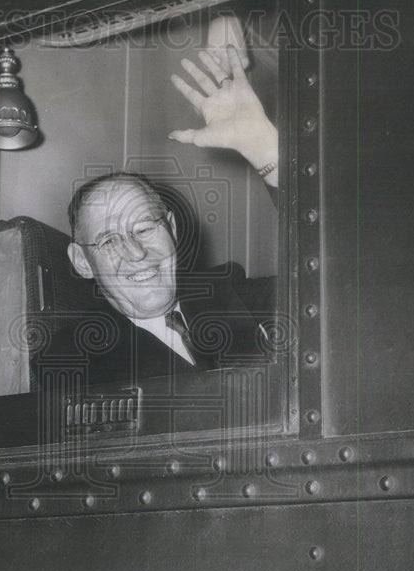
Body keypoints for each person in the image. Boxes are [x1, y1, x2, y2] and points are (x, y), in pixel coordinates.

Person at [37, 45, 279, 389]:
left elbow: (343, 286)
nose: (136, 252)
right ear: (82, 261)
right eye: (108, 240)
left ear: (173, 229)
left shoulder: (229, 291)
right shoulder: (71, 360)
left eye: (145, 227)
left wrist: (265, 148)